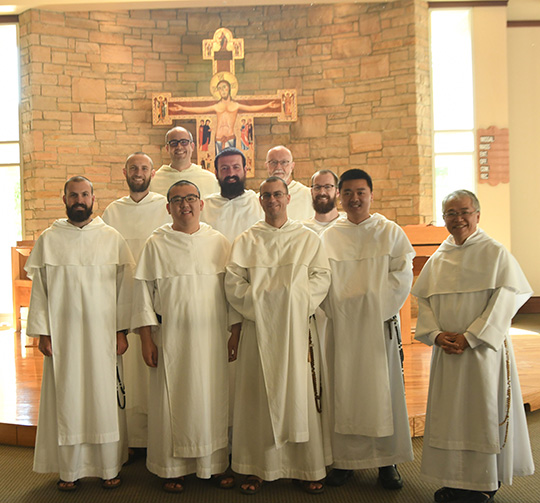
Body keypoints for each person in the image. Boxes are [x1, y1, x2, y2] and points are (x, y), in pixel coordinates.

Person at [412, 190, 534, 503]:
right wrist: (436, 335)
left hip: (482, 353)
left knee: (481, 414)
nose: (459, 219)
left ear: (477, 214)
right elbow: (424, 299)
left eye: (464, 212)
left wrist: (473, 335)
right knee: (451, 416)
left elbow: (508, 296)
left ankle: (483, 484)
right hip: (448, 353)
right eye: (451, 213)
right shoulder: (440, 257)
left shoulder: (494, 253)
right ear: (444, 219)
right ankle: (456, 481)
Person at [26, 176, 134, 492]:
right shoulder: (49, 239)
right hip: (64, 338)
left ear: (93, 199)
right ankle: (69, 471)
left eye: (84, 194)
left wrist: (121, 331)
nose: (79, 200)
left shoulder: (111, 238)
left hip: (103, 337)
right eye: (73, 195)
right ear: (64, 199)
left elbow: (124, 290)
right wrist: (42, 332)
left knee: (103, 398)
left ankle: (108, 468)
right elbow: (40, 291)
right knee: (68, 398)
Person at [225, 176, 332, 495]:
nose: (272, 200)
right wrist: (266, 305)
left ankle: (304, 467)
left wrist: (292, 303)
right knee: (257, 397)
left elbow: (321, 277)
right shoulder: (247, 240)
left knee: (299, 395)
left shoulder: (307, 238)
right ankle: (257, 468)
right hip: (257, 330)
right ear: (260, 200)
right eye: (266, 195)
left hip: (296, 330)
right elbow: (233, 283)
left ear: (288, 198)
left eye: (277, 194)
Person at [131, 180, 237, 493]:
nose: (184, 205)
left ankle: (213, 465)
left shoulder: (218, 243)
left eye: (191, 198)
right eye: (177, 200)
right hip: (170, 339)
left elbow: (232, 293)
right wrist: (146, 339)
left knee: (211, 399)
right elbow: (143, 294)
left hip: (212, 340)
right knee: (170, 401)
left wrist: (235, 332)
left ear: (201, 204)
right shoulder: (156, 244)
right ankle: (171, 468)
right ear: (168, 208)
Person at [321, 168, 414, 490]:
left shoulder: (389, 232)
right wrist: (342, 309)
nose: (355, 198)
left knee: (384, 391)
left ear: (371, 194)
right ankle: (345, 462)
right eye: (347, 192)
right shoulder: (329, 237)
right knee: (343, 391)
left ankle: (387, 463)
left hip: (378, 328)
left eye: (361, 192)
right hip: (342, 329)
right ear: (339, 196)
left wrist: (372, 308)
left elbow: (402, 275)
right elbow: (320, 279)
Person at [102, 152, 171, 456]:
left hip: (157, 299)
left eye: (144, 168)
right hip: (123, 298)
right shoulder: (112, 212)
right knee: (128, 371)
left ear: (152, 173)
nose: (138, 172)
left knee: (153, 368)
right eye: (133, 168)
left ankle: (158, 436)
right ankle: (131, 440)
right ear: (125, 172)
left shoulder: (164, 207)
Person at [169, 78, 279, 153]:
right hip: (218, 138)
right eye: (220, 89)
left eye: (224, 87)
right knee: (220, 166)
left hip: (230, 137)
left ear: (229, 88)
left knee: (230, 163)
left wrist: (267, 105)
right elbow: (200, 110)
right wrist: (182, 108)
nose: (222, 90)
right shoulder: (217, 106)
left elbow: (252, 108)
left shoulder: (235, 105)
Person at [201, 147, 262, 242]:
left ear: (245, 170)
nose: (231, 173)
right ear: (216, 173)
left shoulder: (259, 204)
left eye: (236, 167)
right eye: (224, 168)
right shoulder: (204, 207)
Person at [152, 126, 219, 198]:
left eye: (184, 142)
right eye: (174, 143)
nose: (179, 147)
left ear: (192, 146)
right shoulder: (153, 181)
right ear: (167, 148)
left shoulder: (211, 180)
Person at [265, 145, 314, 221]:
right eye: (273, 162)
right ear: (266, 166)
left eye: (284, 162)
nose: (278, 167)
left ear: (292, 166)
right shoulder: (259, 199)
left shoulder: (309, 196)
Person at [303, 169, 342, 234]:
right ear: (312, 192)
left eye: (327, 187)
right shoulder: (303, 230)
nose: (322, 192)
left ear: (337, 192)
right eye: (317, 187)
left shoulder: (348, 226)